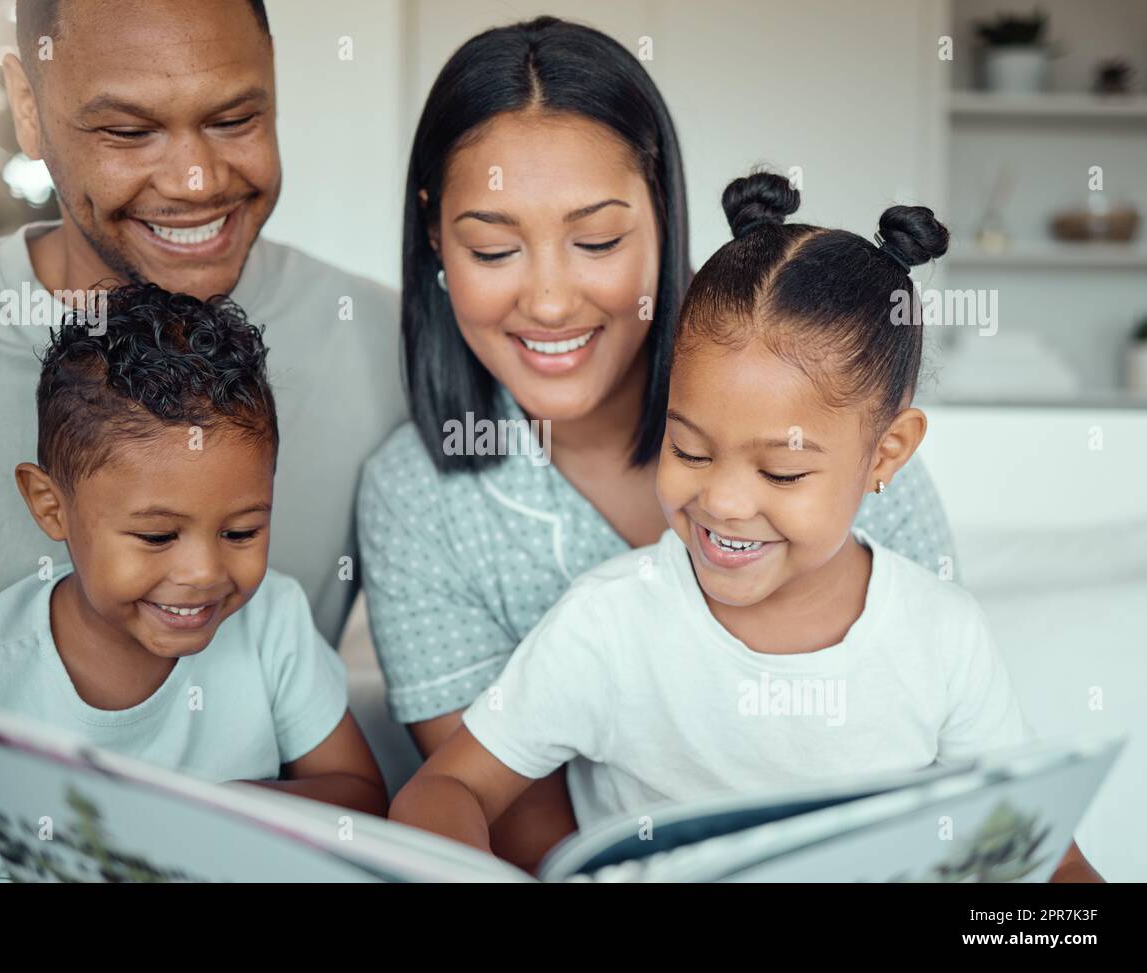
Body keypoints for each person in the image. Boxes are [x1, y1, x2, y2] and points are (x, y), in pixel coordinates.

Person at [357, 17, 957, 870]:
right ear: (434, 235)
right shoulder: (422, 502)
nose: (553, 301)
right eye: (493, 247)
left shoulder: (837, 432)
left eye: (597, 240)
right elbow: (526, 827)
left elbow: (961, 787)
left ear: (664, 215)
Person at [386, 172, 1101, 883]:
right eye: (688, 449)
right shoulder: (607, 625)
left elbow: (1044, 853)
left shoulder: (943, 635)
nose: (723, 502)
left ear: (887, 453)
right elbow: (445, 790)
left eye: (781, 472)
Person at [0, 0, 402, 705]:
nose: (196, 181)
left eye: (235, 119)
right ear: (28, 108)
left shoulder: (384, 343)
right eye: (129, 131)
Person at [0, 283, 386, 882]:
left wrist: (221, 814)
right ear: (50, 507)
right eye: (157, 538)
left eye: (240, 533)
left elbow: (362, 800)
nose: (204, 574)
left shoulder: (273, 623)